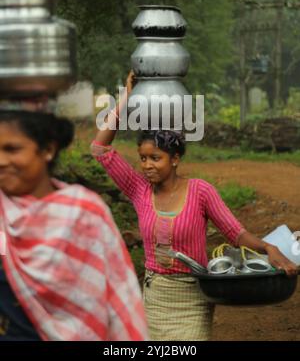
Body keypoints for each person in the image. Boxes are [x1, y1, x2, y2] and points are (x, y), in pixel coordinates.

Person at [91, 71, 298, 341]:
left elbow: (236, 234)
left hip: (194, 297)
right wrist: (127, 97)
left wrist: (268, 247)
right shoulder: (139, 189)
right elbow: (100, 148)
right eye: (142, 158)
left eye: (156, 158)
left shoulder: (200, 191)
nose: (147, 166)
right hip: (155, 297)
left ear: (175, 159)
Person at [0, 106, 148, 341]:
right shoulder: (3, 216)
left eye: (12, 149)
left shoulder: (83, 214)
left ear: (48, 149)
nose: (1, 160)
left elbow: (118, 295)